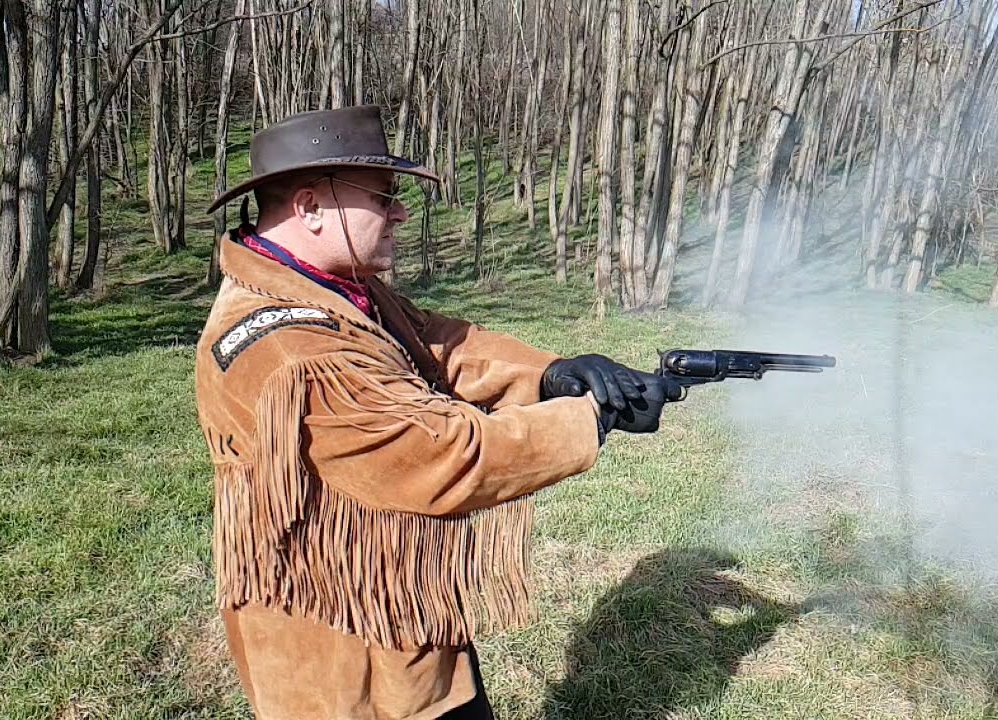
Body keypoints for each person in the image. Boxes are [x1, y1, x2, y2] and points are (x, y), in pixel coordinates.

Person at [195, 105, 682, 720]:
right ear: (311, 207)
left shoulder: (335, 291)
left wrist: (551, 373)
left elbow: (432, 340)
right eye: (384, 196)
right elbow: (435, 456)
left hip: (396, 604)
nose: (400, 211)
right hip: (341, 644)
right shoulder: (288, 348)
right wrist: (589, 418)